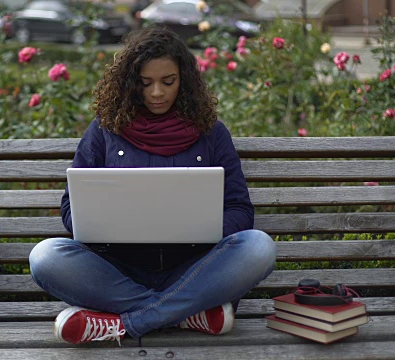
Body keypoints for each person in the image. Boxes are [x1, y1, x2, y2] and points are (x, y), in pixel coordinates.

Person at [29, 26, 276, 345]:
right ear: (131, 83)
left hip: (195, 270)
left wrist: (201, 227)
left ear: (183, 80)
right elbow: (69, 209)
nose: (157, 93)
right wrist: (105, 226)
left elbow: (240, 210)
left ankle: (125, 323)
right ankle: (187, 315)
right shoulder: (106, 129)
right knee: (45, 256)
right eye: (146, 83)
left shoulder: (211, 133)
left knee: (259, 247)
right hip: (118, 271)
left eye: (168, 82)